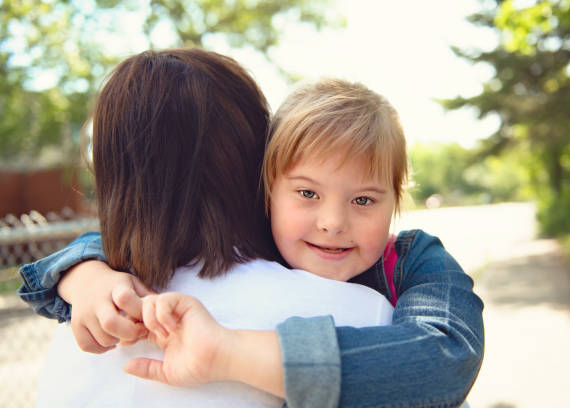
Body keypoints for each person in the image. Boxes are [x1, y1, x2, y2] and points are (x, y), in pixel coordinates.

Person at [19, 61, 485, 408]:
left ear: (396, 200)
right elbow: (149, 237)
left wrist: (231, 353)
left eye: (364, 200)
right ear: (264, 189)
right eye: (306, 193)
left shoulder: (414, 261)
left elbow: (446, 354)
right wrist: (85, 273)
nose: (332, 222)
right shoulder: (268, 235)